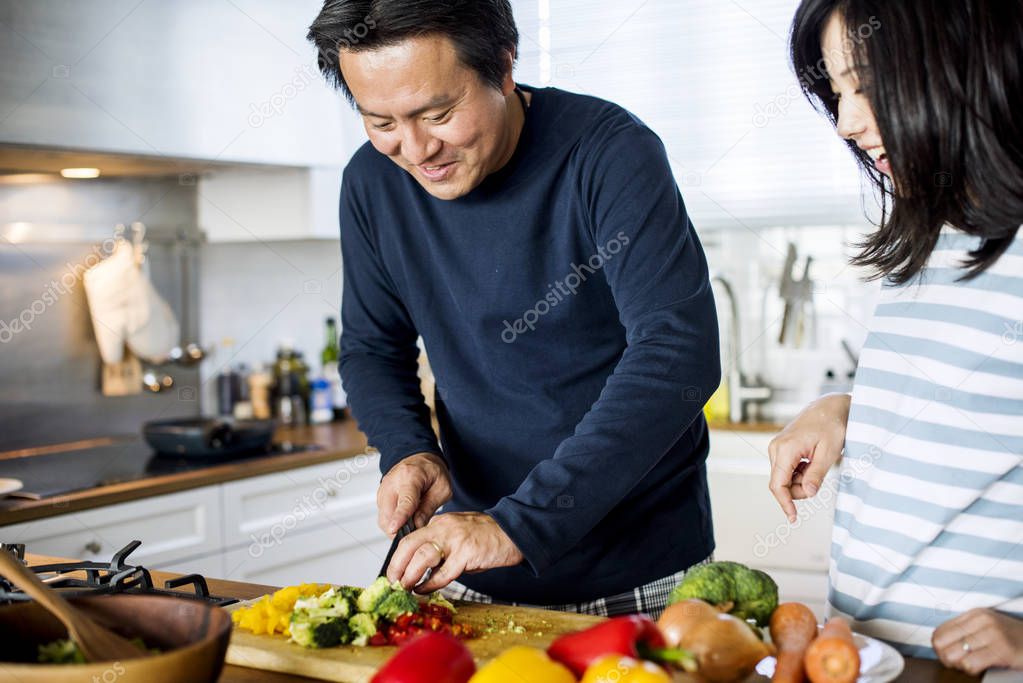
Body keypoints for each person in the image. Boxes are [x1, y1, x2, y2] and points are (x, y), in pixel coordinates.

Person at [306, 0, 720, 617]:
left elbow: (678, 354)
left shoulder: (609, 153)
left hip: (641, 574)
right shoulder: (370, 182)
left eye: (438, 114)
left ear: (503, 66)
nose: (416, 149)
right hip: (471, 567)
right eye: (381, 121)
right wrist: (408, 449)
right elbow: (372, 348)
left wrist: (519, 526)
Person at [771, 0, 1023, 674]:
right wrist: (851, 410)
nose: (847, 122)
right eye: (838, 91)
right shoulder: (933, 237)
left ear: (961, 61)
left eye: (867, 87)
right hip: (878, 658)